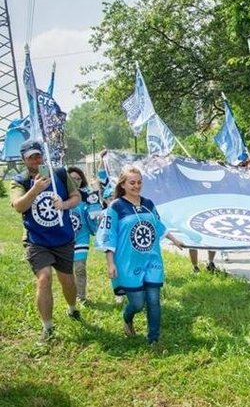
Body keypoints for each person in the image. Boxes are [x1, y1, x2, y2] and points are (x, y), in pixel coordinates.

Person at [96, 166, 184, 344]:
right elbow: (108, 235)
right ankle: (127, 318)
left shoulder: (148, 204)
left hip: (151, 259)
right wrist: (110, 263)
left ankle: (154, 339)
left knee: (153, 300)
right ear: (123, 184)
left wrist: (175, 240)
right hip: (128, 262)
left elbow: (158, 225)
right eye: (132, 183)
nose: (136, 186)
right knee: (137, 303)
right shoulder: (116, 207)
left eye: (139, 182)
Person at [10, 141, 82, 342]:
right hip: (37, 240)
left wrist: (64, 204)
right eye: (31, 157)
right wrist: (35, 189)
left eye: (38, 156)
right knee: (44, 278)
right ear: (24, 159)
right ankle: (47, 327)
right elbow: (18, 206)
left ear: (43, 156)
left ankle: (72, 308)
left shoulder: (59, 173)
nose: (36, 160)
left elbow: (76, 196)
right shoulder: (20, 181)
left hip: (62, 238)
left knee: (67, 280)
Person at [67, 166, 102, 303]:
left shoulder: (87, 196)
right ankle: (69, 295)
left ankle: (80, 296)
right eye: (72, 178)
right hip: (64, 239)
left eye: (78, 179)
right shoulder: (60, 195)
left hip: (82, 237)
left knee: (80, 268)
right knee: (66, 271)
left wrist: (94, 212)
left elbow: (93, 215)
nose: (75, 181)